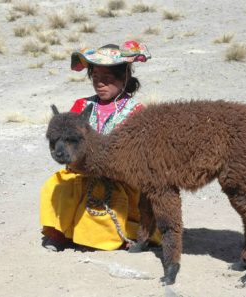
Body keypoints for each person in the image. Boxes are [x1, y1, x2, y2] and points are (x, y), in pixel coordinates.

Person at [40, 40, 161, 252]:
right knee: (58, 185)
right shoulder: (81, 106)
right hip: (82, 171)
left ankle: (106, 237)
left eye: (107, 79)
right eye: (96, 78)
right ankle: (60, 233)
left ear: (124, 78)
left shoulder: (136, 112)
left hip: (119, 178)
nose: (100, 84)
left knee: (106, 197)